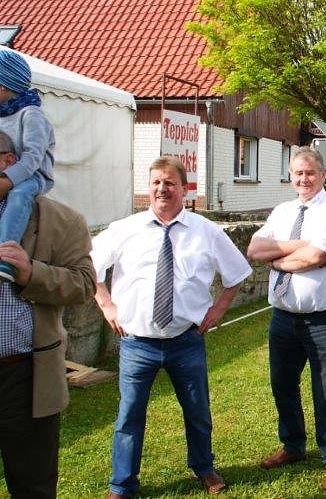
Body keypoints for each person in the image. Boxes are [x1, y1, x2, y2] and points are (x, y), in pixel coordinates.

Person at [91, 156, 252, 498]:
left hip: (185, 341)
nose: (162, 189)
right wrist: (105, 303)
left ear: (185, 188)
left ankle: (204, 467)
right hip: (137, 343)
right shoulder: (124, 229)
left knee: (197, 411)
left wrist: (217, 310)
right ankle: (121, 483)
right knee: (129, 416)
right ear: (148, 187)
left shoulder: (205, 231)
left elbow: (236, 274)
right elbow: (86, 266)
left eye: (170, 183)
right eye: (156, 183)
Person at [247, 147, 326, 492]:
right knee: (282, 386)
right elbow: (254, 250)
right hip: (283, 319)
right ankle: (293, 446)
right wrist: (298, 246)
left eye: (309, 173)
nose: (303, 179)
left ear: (322, 174)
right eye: (297, 173)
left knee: (325, 391)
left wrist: (278, 257)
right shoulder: (282, 210)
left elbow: (318, 255)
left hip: (321, 320)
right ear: (290, 177)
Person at [0, 129, 96, 498]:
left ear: (10, 163)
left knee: (32, 483)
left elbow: (85, 285)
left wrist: (31, 274)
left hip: (23, 375)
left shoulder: (61, 220)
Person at [0, 48, 56, 283]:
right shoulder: (3, 114)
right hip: (6, 173)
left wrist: (8, 181)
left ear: (3, 86)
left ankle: (5, 254)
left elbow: (33, 158)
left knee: (20, 195)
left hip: (34, 176)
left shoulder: (31, 115)